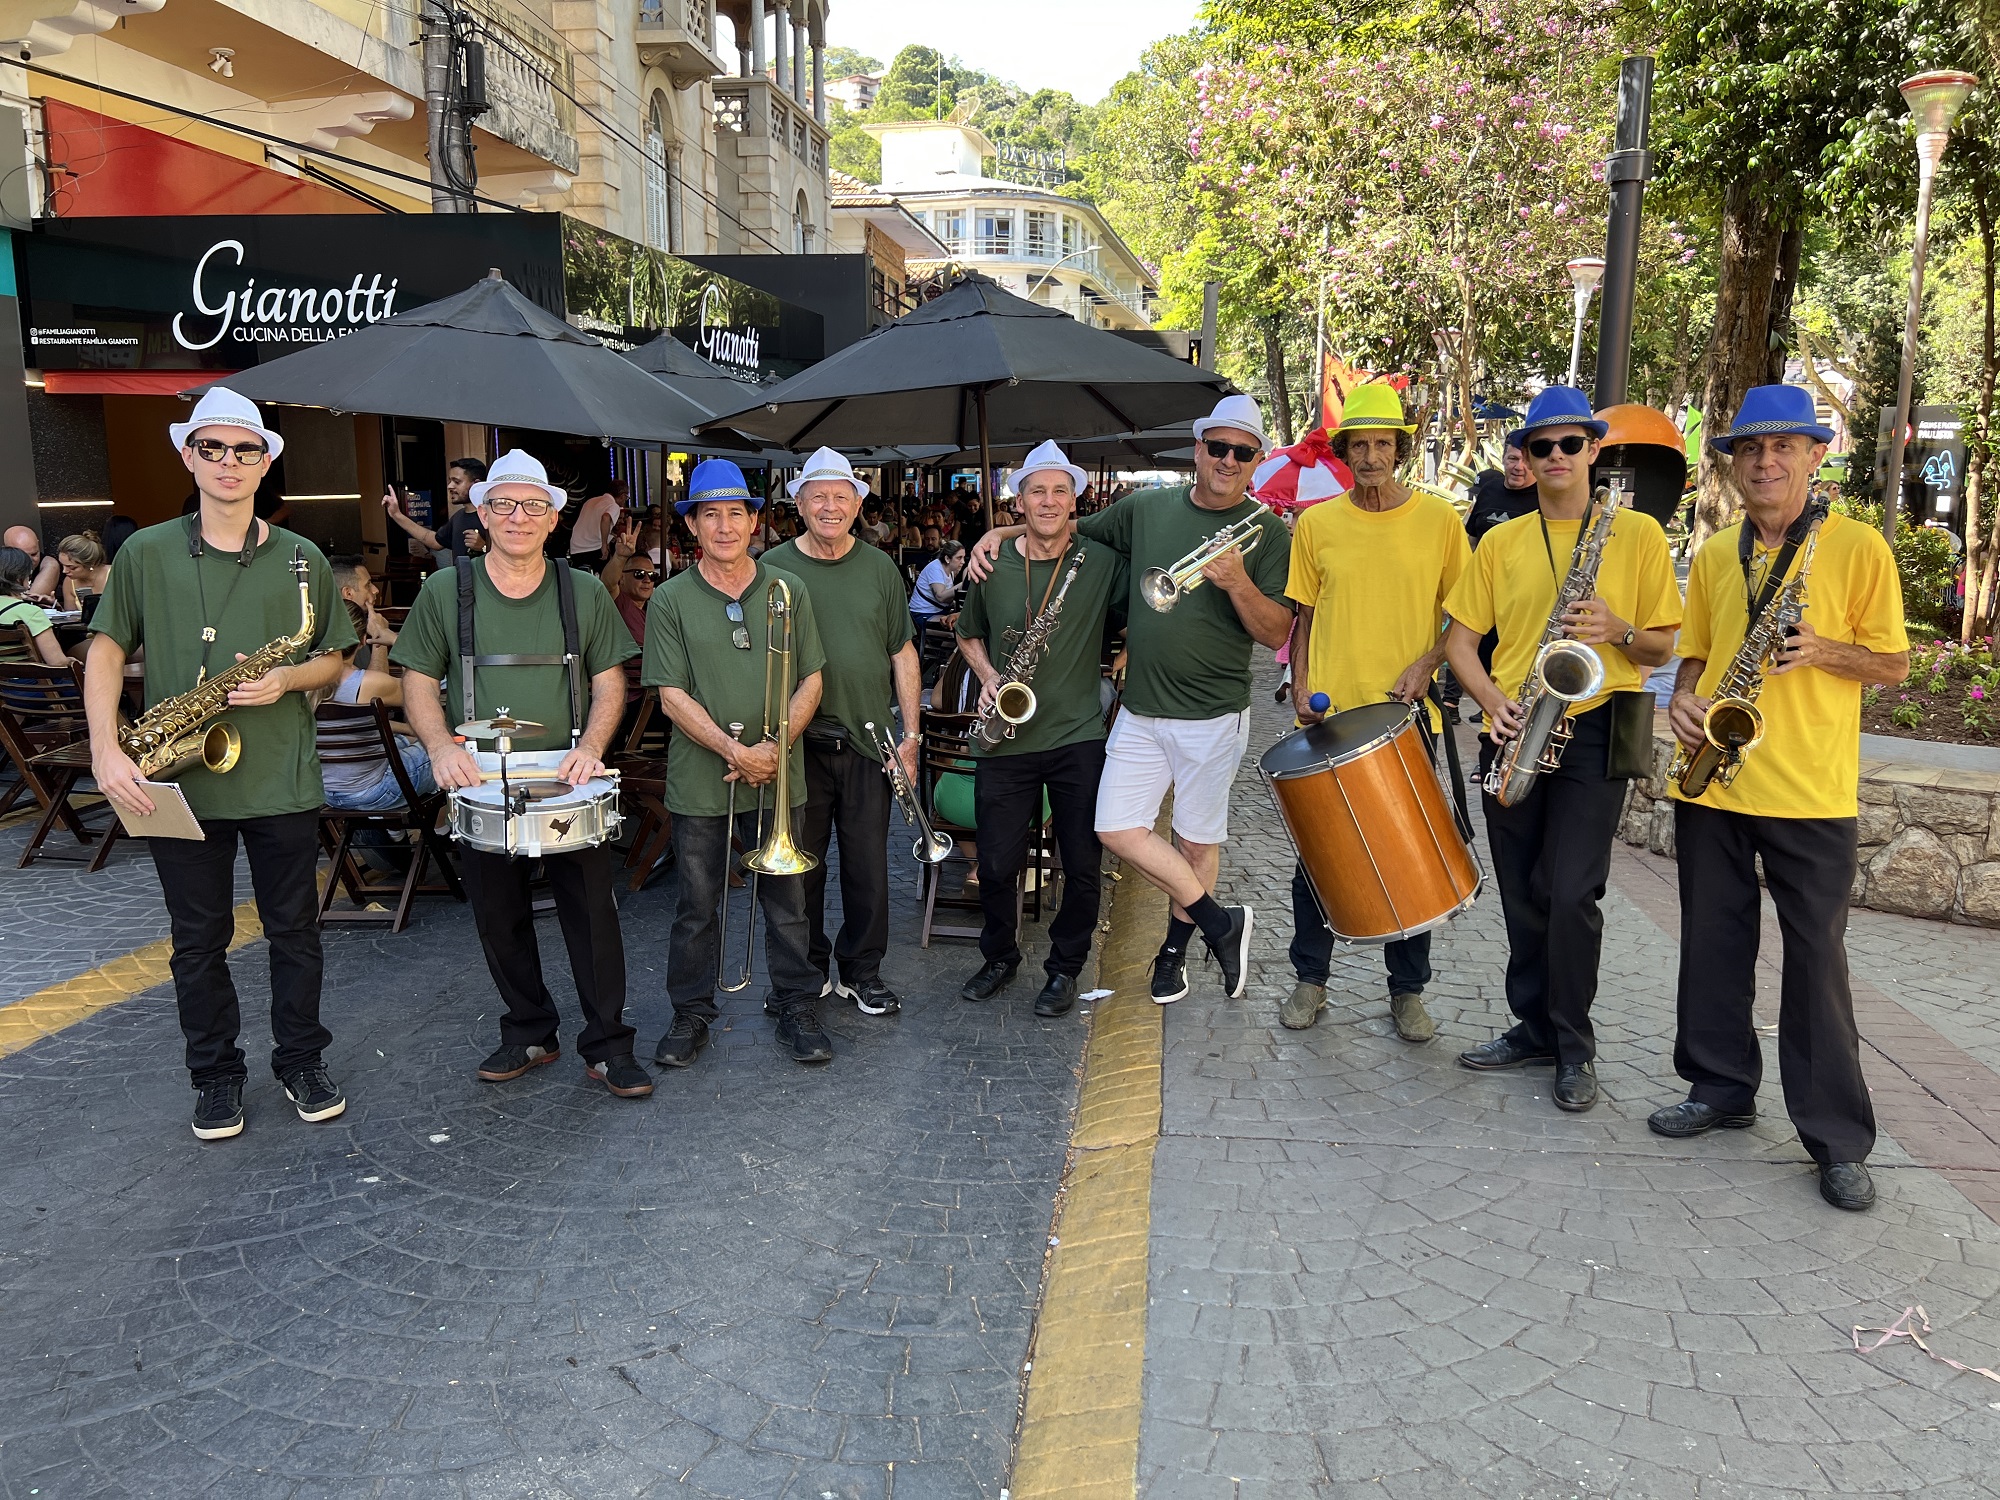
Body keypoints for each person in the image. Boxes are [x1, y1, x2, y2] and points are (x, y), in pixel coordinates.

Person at [1651, 385, 1909, 1212]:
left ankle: (1835, 1138)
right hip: (1717, 786)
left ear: (1813, 456)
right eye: (1750, 450)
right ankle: (1720, 1087)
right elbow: (1693, 656)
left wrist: (1830, 649)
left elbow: (1895, 664)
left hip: (1811, 794)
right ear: (1732, 463)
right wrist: (1681, 700)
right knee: (1713, 947)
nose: (1766, 462)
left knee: (1817, 966)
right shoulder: (1721, 550)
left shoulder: (1859, 546)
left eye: (1783, 447)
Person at [84, 387, 357, 1141]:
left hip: (279, 775)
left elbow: (334, 658)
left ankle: (301, 1059)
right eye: (212, 447)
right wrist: (106, 748)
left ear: (268, 461)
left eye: (245, 449)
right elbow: (106, 648)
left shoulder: (301, 558)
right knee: (196, 941)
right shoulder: (144, 551)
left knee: (294, 929)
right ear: (188, 456)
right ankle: (215, 1076)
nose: (229, 462)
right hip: (178, 777)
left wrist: (286, 678)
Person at [968, 393, 1286, 1006]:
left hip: (1213, 712)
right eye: (1216, 447)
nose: (1226, 460)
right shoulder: (1144, 507)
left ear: (1256, 461)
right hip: (1140, 709)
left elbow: (1275, 633)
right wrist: (1000, 530)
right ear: (1198, 450)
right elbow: (1062, 525)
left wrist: (1237, 581)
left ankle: (1174, 954)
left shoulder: (1267, 533)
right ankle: (1222, 923)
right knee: (1114, 828)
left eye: (1241, 453)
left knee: (1196, 843)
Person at [1442, 385, 1681, 1113]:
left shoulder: (1636, 534)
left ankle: (1574, 1046)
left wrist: (1618, 631)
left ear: (1592, 450)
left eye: (1568, 444)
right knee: (1522, 887)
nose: (1553, 457)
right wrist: (1492, 703)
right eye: (1538, 447)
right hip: (1514, 728)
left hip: (1595, 726)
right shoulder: (1502, 540)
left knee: (1573, 891)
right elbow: (1459, 644)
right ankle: (1533, 1026)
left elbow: (1665, 643)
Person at [392, 449, 651, 1100]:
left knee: (592, 914)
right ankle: (530, 1029)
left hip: (566, 774)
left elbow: (608, 681)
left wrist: (593, 747)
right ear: (481, 513)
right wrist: (439, 748)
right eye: (503, 504)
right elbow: (417, 682)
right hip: (478, 778)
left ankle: (607, 1043)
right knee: (498, 914)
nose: (518, 517)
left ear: (553, 518)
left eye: (533, 506)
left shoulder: (583, 589)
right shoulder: (445, 588)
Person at [1282, 384, 1471, 1037]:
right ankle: (1311, 981)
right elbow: (1302, 618)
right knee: (1318, 855)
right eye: (1358, 445)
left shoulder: (1441, 522)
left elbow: (1467, 618)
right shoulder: (1318, 524)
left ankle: (1407, 992)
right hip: (1330, 717)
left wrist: (1427, 665)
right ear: (1344, 452)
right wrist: (1301, 687)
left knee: (1406, 853)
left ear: (1399, 448)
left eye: (1381, 444)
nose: (1369, 456)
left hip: (1404, 714)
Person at [642, 458, 834, 1068]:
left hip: (780, 774)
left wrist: (773, 750)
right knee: (697, 906)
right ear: (692, 526)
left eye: (736, 513)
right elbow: (670, 696)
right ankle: (690, 1013)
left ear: (754, 522)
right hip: (704, 779)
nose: (724, 526)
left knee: (790, 901)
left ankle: (796, 1006)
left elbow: (811, 678)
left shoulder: (788, 589)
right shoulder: (670, 598)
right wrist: (737, 753)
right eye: (710, 515)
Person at [956, 441, 1127, 1016]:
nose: (1049, 501)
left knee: (1082, 863)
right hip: (1006, 736)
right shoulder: (990, 562)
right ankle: (1000, 954)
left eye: (1060, 490)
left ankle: (1064, 969)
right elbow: (967, 633)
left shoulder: (1101, 560)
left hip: (1078, 736)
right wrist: (986, 676)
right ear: (1019, 499)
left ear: (1075, 498)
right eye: (1037, 490)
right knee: (998, 862)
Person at [764, 448, 923, 1016]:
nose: (830, 507)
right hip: (797, 747)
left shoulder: (880, 568)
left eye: (841, 497)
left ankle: (862, 971)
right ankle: (803, 971)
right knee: (797, 870)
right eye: (818, 497)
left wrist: (911, 736)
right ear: (799, 504)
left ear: (857, 504)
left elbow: (903, 653)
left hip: (869, 745)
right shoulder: (772, 568)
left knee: (868, 869)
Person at [316, 600, 436, 812]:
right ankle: (441, 828)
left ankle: (393, 832)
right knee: (453, 749)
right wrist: (384, 635)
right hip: (376, 792)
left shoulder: (305, 682)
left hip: (326, 793)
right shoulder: (368, 684)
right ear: (363, 640)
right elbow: (422, 693)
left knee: (405, 740)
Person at [381, 457, 490, 564]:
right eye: (450, 481)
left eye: (457, 482)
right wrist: (397, 514)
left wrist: (484, 547)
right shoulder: (458, 517)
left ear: (476, 484)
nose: (450, 486)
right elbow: (434, 541)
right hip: (462, 581)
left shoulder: (492, 515)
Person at [1465, 431, 1540, 545]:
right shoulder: (1488, 490)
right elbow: (1473, 539)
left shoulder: (1546, 497)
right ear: (1503, 458)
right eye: (1513, 458)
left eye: (1526, 460)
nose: (1519, 467)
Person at [0, 546, 68, 664]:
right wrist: (71, 661)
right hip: (27, 680)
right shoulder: (30, 612)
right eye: (29, 573)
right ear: (19, 578)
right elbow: (58, 663)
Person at [330, 556, 397, 669]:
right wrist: (379, 636)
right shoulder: (341, 632)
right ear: (348, 593)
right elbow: (377, 685)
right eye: (368, 585)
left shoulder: (357, 621)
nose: (375, 590)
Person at [568, 479, 627, 573]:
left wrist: (610, 536)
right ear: (623, 495)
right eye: (626, 497)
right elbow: (606, 518)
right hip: (593, 549)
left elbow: (591, 525)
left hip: (576, 549)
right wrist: (604, 544)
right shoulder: (613, 506)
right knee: (601, 580)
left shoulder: (590, 501)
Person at [910, 540, 966, 638]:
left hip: (938, 612)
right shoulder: (935, 569)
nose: (963, 562)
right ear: (947, 558)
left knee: (964, 626)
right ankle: (944, 652)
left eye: (963, 557)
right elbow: (940, 596)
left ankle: (943, 652)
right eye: (959, 558)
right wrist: (963, 584)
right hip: (923, 615)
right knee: (957, 633)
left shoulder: (950, 570)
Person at [3, 525, 61, 601]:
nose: (29, 561)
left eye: (34, 554)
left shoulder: (49, 564)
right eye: (23, 556)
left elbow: (30, 601)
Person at [57, 532, 112, 612]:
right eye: (62, 565)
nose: (64, 571)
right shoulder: (69, 582)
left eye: (72, 567)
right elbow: (71, 617)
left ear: (91, 563)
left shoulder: (114, 575)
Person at [612, 553, 658, 648]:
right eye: (639, 574)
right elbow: (609, 583)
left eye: (652, 575)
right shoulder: (618, 602)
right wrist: (620, 556)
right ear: (622, 577)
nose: (647, 580)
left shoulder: (655, 609)